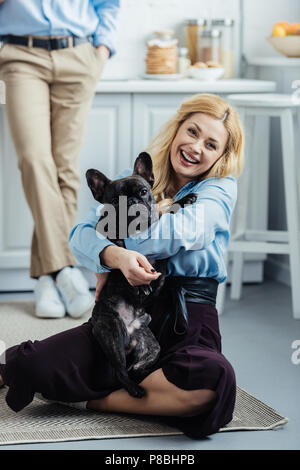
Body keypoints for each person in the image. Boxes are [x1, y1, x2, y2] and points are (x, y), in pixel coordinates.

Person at [0, 93, 244, 439]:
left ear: (221, 155)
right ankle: (144, 391)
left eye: (211, 144)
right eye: (192, 132)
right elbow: (79, 236)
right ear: (176, 130)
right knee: (28, 365)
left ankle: (94, 400)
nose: (196, 147)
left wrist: (114, 236)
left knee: (213, 382)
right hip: (122, 310)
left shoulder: (218, 190)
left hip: (187, 316)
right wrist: (114, 257)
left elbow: (182, 231)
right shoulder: (134, 179)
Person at [0, 0, 120, 318]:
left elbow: (108, 3)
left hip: (79, 55)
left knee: (64, 168)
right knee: (34, 159)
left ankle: (45, 280)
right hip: (21, 54)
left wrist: (102, 50)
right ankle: (65, 267)